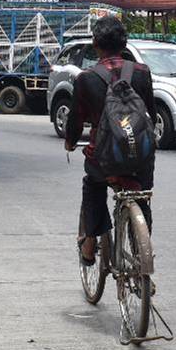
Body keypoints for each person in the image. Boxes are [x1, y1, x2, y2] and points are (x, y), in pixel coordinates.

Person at [64, 16, 156, 265]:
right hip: (139, 155)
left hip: (103, 157)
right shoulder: (142, 73)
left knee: (92, 185)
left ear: (96, 44)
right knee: (141, 192)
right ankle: (141, 251)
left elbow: (75, 121)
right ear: (124, 43)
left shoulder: (87, 78)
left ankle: (90, 242)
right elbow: (151, 113)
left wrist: (70, 142)